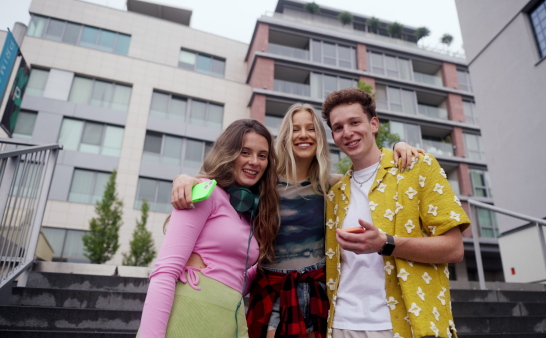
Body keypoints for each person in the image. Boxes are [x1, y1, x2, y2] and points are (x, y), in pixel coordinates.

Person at [171, 105, 424, 338]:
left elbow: (369, 168)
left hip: (317, 291)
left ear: (320, 138)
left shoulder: (332, 185)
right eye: (296, 129)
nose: (303, 134)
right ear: (285, 136)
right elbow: (221, 184)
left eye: (311, 128)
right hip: (270, 290)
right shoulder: (264, 182)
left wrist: (398, 148)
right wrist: (186, 179)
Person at [321, 88, 470, 338]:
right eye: (338, 127)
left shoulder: (418, 167)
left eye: (354, 122)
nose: (347, 132)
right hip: (342, 325)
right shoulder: (334, 194)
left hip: (406, 324)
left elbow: (454, 249)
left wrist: (386, 244)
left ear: (374, 124)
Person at [138, 119, 280, 338]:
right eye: (245, 152)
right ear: (229, 153)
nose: (254, 162)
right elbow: (165, 271)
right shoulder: (205, 193)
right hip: (190, 312)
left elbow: (236, 277)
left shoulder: (250, 213)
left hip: (229, 320)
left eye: (262, 156)